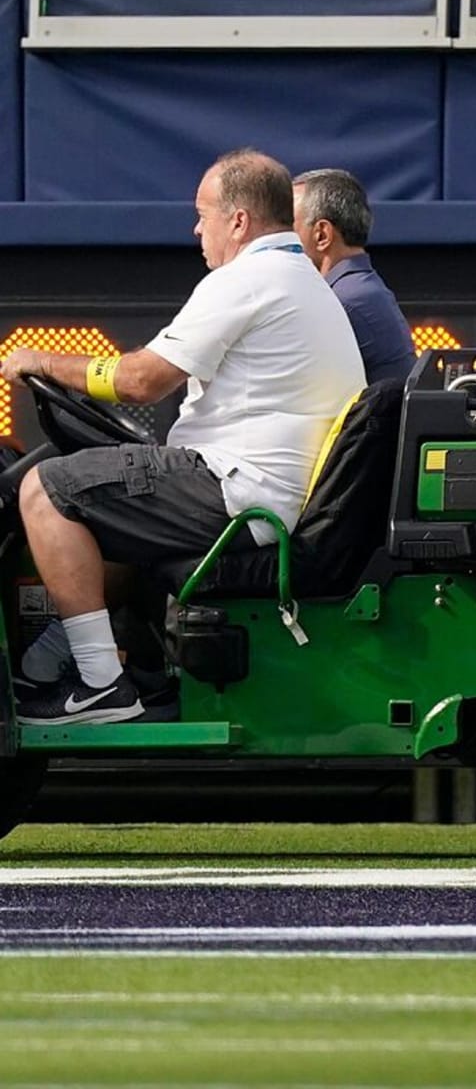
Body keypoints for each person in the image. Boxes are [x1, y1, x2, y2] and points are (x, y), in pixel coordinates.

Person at [0, 149, 366, 725]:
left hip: (242, 494)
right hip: (263, 491)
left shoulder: (247, 279)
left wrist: (41, 362)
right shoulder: (298, 280)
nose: (197, 229)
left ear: (239, 221)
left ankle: (101, 685)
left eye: (203, 215)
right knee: (102, 507)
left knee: (46, 490)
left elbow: (141, 380)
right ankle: (64, 666)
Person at [292, 169, 417, 385]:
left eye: (288, 226)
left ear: (322, 235)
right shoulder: (359, 290)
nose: (279, 238)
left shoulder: (343, 303)